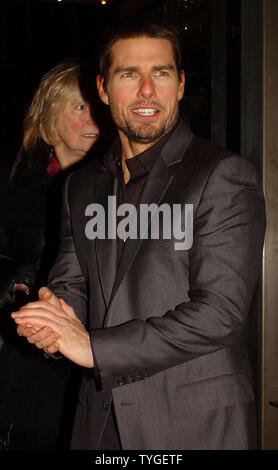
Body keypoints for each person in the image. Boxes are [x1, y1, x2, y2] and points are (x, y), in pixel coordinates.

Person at [12, 19, 266, 450]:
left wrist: (96, 349)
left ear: (181, 85)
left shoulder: (221, 174)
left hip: (193, 423)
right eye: (129, 74)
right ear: (104, 89)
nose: (147, 90)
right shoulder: (82, 184)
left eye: (161, 73)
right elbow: (72, 284)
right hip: (97, 421)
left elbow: (220, 311)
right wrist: (54, 323)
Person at [0, 59, 101, 450]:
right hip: (30, 374)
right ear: (47, 121)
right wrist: (19, 284)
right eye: (80, 106)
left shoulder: (126, 187)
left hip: (103, 364)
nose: (94, 117)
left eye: (99, 105)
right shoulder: (13, 187)